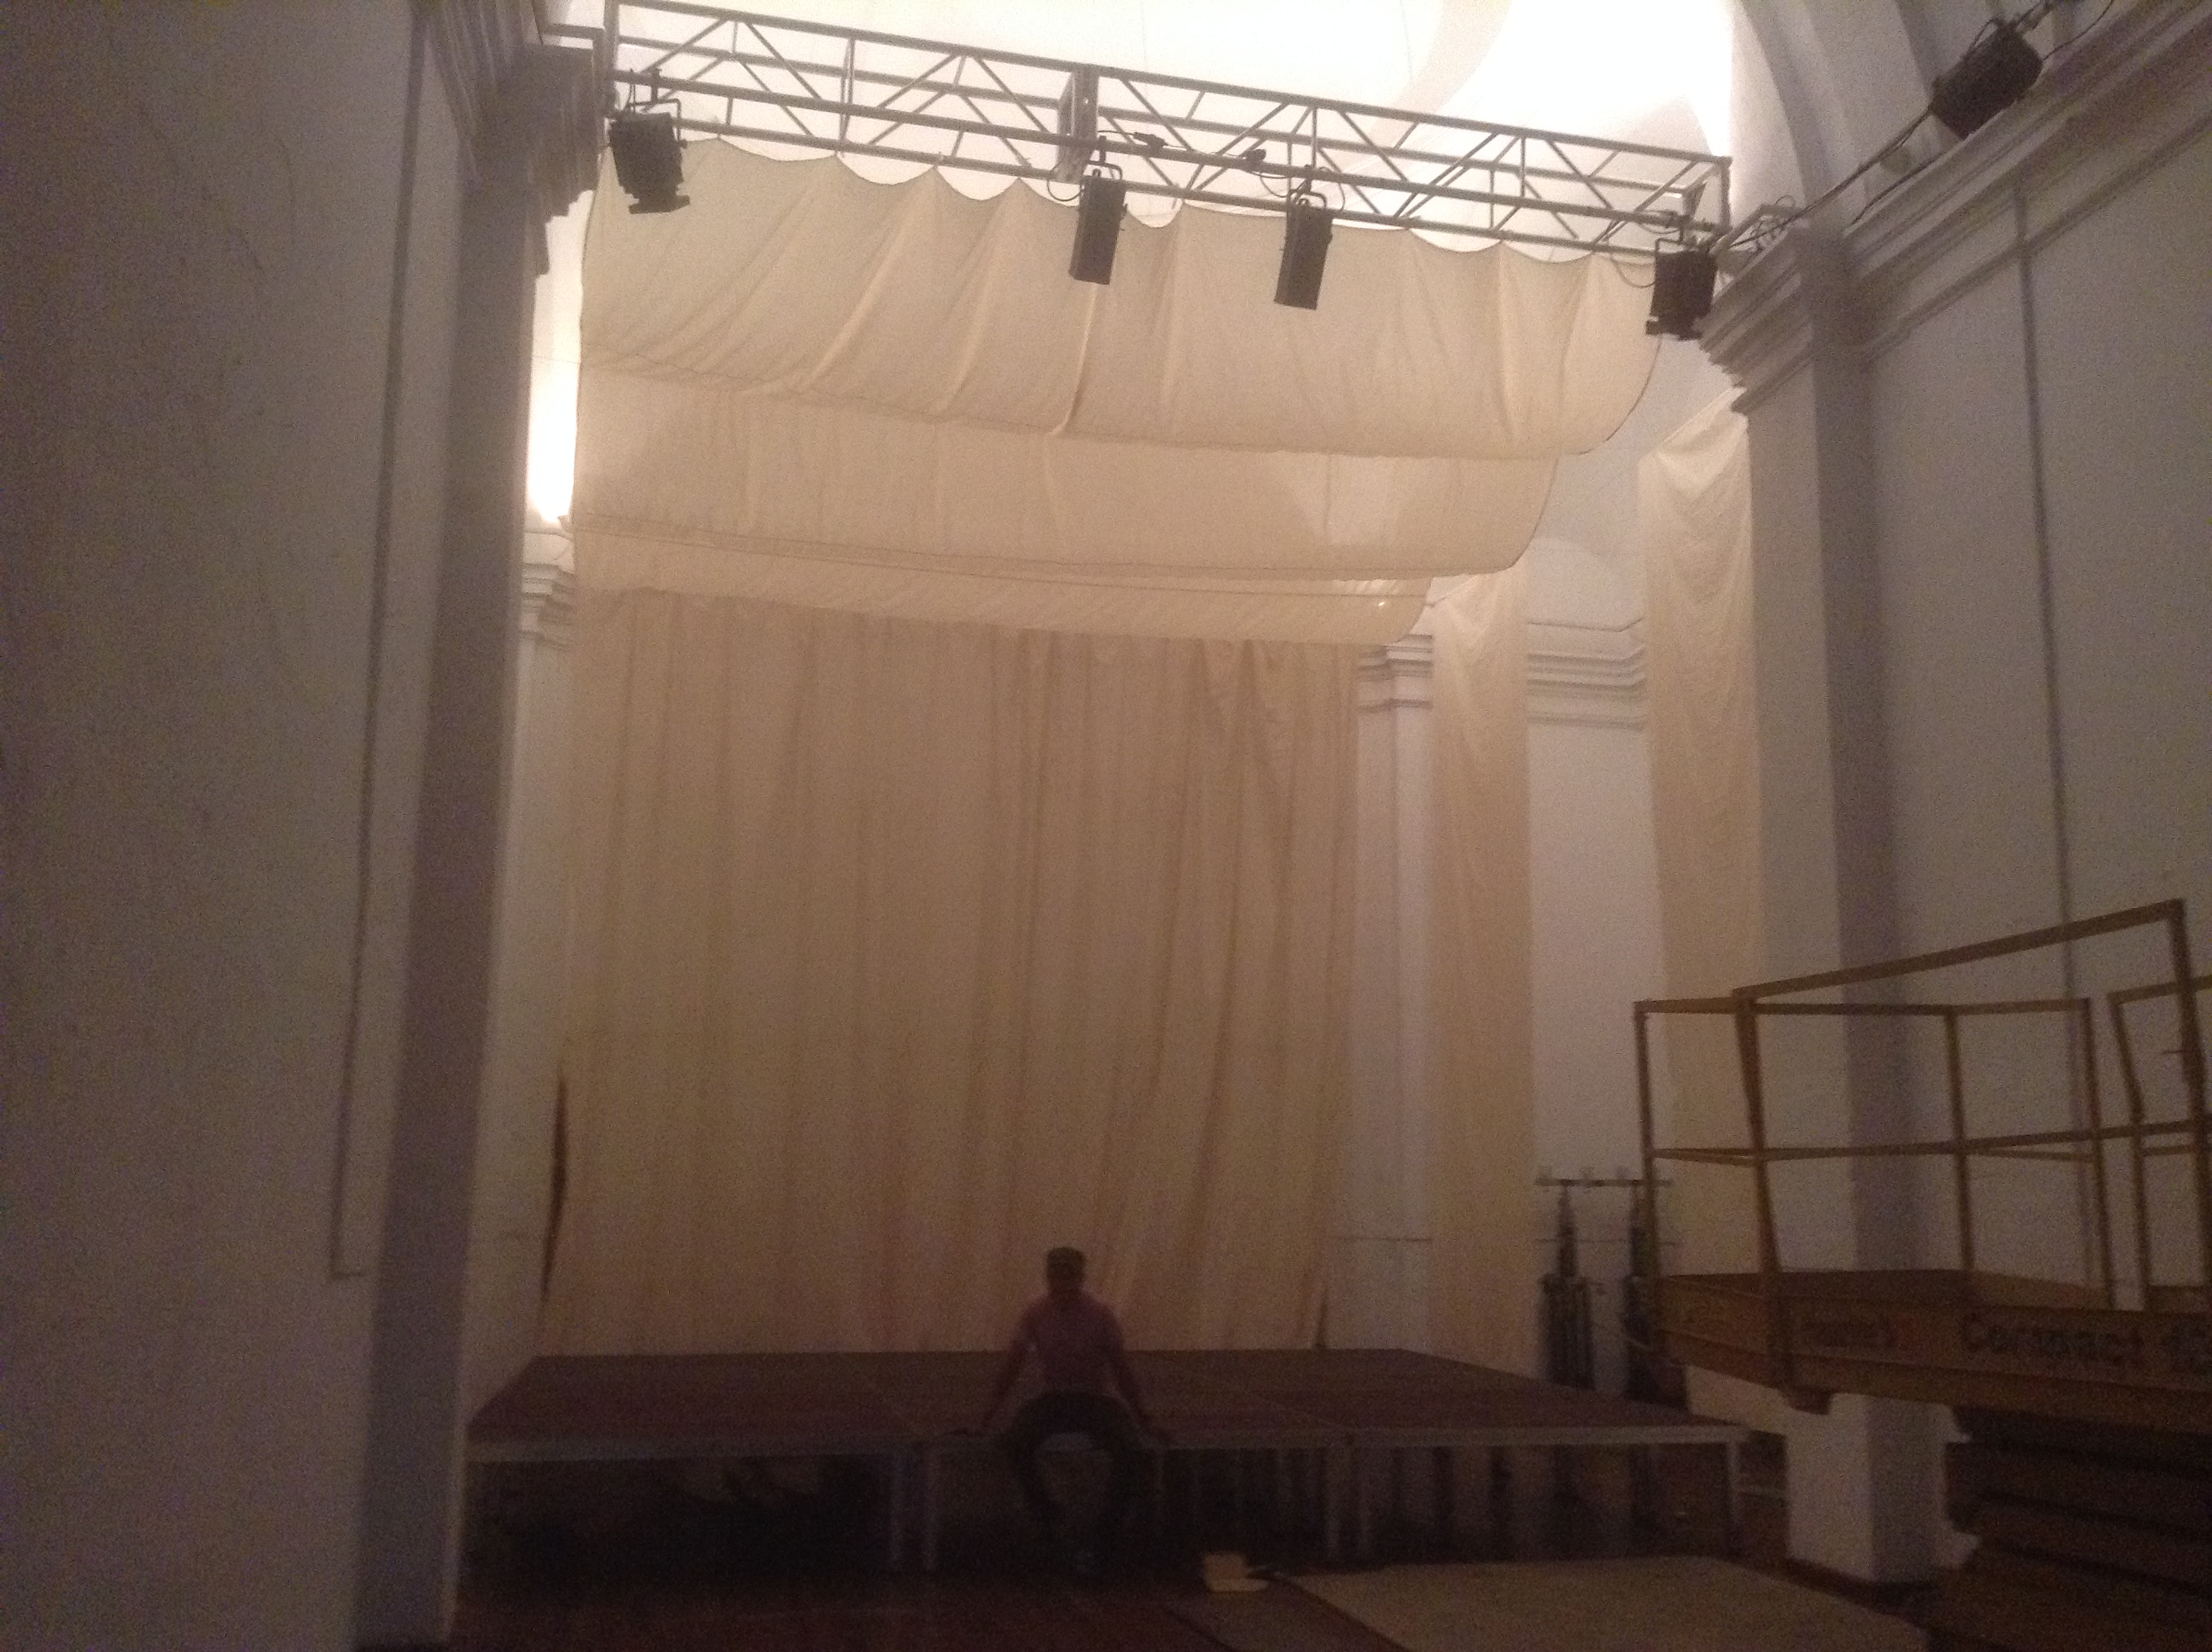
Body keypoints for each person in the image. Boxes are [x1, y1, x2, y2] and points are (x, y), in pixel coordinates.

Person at [977, 1246, 1159, 1572]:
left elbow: (1121, 1370)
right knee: (1016, 1442)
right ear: (1049, 1278)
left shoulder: (1100, 1313)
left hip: (1093, 1398)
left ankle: (1106, 1531)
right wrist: (987, 1417)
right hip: (1055, 1397)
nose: (1063, 1286)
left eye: (1070, 1279)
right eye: (1058, 1279)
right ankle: (1047, 1514)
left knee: (1130, 1449)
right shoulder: (1036, 1312)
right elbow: (1012, 1367)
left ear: (1080, 1278)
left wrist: (1142, 1417)